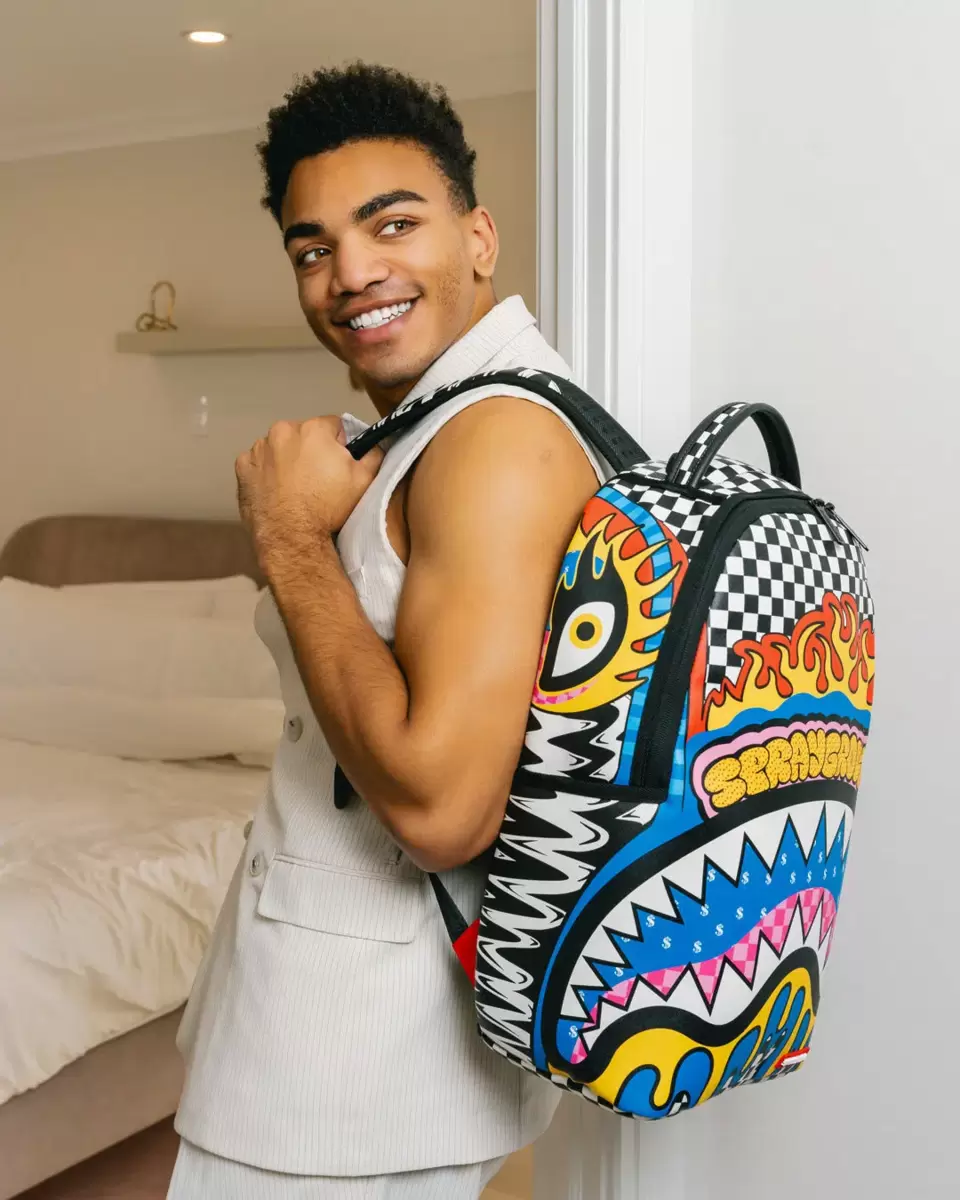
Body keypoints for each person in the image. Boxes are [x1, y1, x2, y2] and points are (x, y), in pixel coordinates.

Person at [168, 62, 607, 1200]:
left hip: (343, 1070)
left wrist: (289, 539)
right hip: (344, 1053)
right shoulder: (444, 426)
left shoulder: (495, 439)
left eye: (393, 223)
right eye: (311, 249)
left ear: (480, 238)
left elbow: (443, 810)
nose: (350, 272)